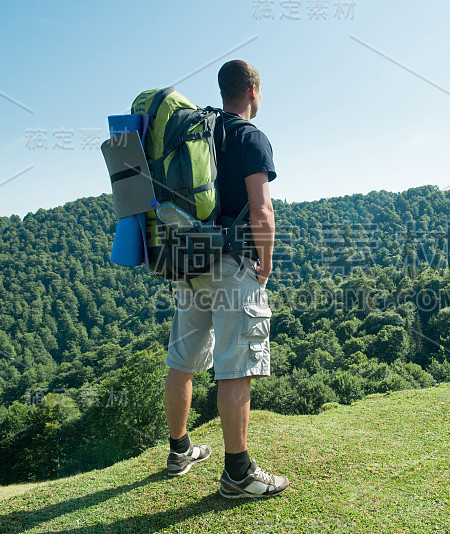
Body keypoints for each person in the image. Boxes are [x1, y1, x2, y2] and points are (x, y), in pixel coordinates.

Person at [162, 60, 289, 499]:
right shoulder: (250, 136)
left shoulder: (199, 134)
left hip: (190, 261)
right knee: (237, 365)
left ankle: (180, 450)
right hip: (234, 266)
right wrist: (266, 263)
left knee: (183, 358)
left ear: (223, 91)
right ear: (253, 90)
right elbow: (262, 211)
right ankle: (238, 473)